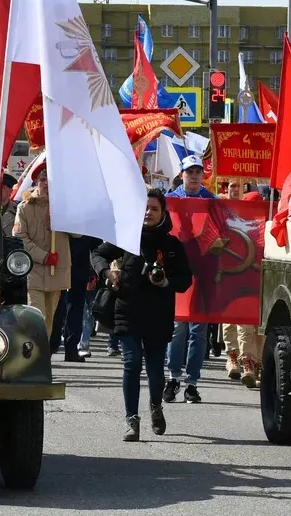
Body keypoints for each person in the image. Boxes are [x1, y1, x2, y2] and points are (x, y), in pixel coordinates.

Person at [91, 188, 192, 442]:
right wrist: (107, 273)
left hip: (158, 314)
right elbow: (97, 253)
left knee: (156, 370)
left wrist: (166, 282)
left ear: (163, 213)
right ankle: (131, 421)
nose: (148, 213)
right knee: (132, 363)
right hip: (127, 310)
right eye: (145, 208)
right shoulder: (127, 239)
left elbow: (185, 279)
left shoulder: (171, 245)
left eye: (154, 208)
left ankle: (156, 407)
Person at [164, 155, 217, 404]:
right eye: (189, 171)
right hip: (177, 271)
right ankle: (173, 377)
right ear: (181, 174)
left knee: (199, 331)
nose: (194, 175)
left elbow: (221, 232)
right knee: (178, 328)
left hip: (202, 272)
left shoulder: (211, 201)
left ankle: (192, 383)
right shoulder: (170, 200)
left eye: (198, 171)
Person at [12, 163, 71, 342]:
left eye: (50, 180)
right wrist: (44, 256)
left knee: (49, 322)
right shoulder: (25, 207)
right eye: (43, 180)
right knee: (35, 317)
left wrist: (63, 218)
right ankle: (32, 356)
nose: (46, 184)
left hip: (57, 273)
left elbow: (78, 233)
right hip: (34, 271)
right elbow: (19, 238)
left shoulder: (64, 206)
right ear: (36, 182)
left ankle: (41, 356)